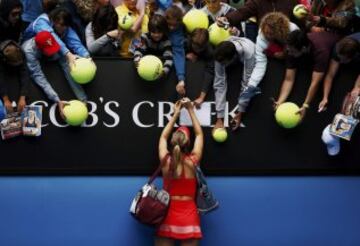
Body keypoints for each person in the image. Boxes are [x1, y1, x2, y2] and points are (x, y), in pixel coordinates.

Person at [156, 97, 203, 246]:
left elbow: (163, 136)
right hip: (189, 214)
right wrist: (190, 109)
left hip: (167, 213)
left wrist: (176, 113)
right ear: (187, 143)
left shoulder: (165, 160)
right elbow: (200, 134)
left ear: (173, 142)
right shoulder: (193, 160)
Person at [273, 30, 341, 119]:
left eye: (292, 51)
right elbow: (289, 79)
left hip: (337, 45)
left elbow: (315, 83)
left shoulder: (321, 51)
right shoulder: (291, 49)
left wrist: (305, 105)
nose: (289, 53)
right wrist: (280, 101)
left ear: (304, 49)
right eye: (288, 50)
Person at [22, 30, 87, 119]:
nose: (53, 51)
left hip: (45, 55)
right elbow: (39, 78)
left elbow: (67, 61)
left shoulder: (52, 37)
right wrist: (57, 100)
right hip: (34, 61)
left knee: (68, 64)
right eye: (49, 50)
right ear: (38, 47)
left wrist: (84, 58)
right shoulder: (28, 51)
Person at [213, 36, 258, 132]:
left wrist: (241, 111)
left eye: (224, 63)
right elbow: (219, 84)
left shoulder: (249, 53)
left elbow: (247, 83)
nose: (222, 65)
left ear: (232, 58)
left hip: (252, 53)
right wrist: (219, 118)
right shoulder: (220, 54)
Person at [319, 32, 360, 112]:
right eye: (339, 58)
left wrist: (356, 87)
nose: (340, 61)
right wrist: (325, 97)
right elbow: (330, 75)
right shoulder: (338, 48)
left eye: (343, 60)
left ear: (353, 56)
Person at [221, 0, 298, 42]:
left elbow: (298, 24)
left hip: (286, 41)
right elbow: (242, 12)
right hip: (265, 40)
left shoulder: (291, 1)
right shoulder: (257, 2)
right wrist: (227, 19)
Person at [185, 28, 214, 108]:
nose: (197, 50)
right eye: (195, 46)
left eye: (200, 48)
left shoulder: (209, 51)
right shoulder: (186, 42)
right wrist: (185, 56)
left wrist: (201, 97)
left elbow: (209, 73)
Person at [0, 40, 30, 113]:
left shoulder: (21, 52)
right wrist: (6, 100)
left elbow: (24, 74)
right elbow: (1, 79)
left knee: (24, 96)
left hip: (17, 68)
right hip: (3, 69)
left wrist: (23, 97)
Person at [165, 6, 186, 96]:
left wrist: (181, 79)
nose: (172, 28)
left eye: (175, 25)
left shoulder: (181, 32)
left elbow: (179, 54)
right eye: (169, 24)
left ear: (180, 22)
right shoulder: (160, 24)